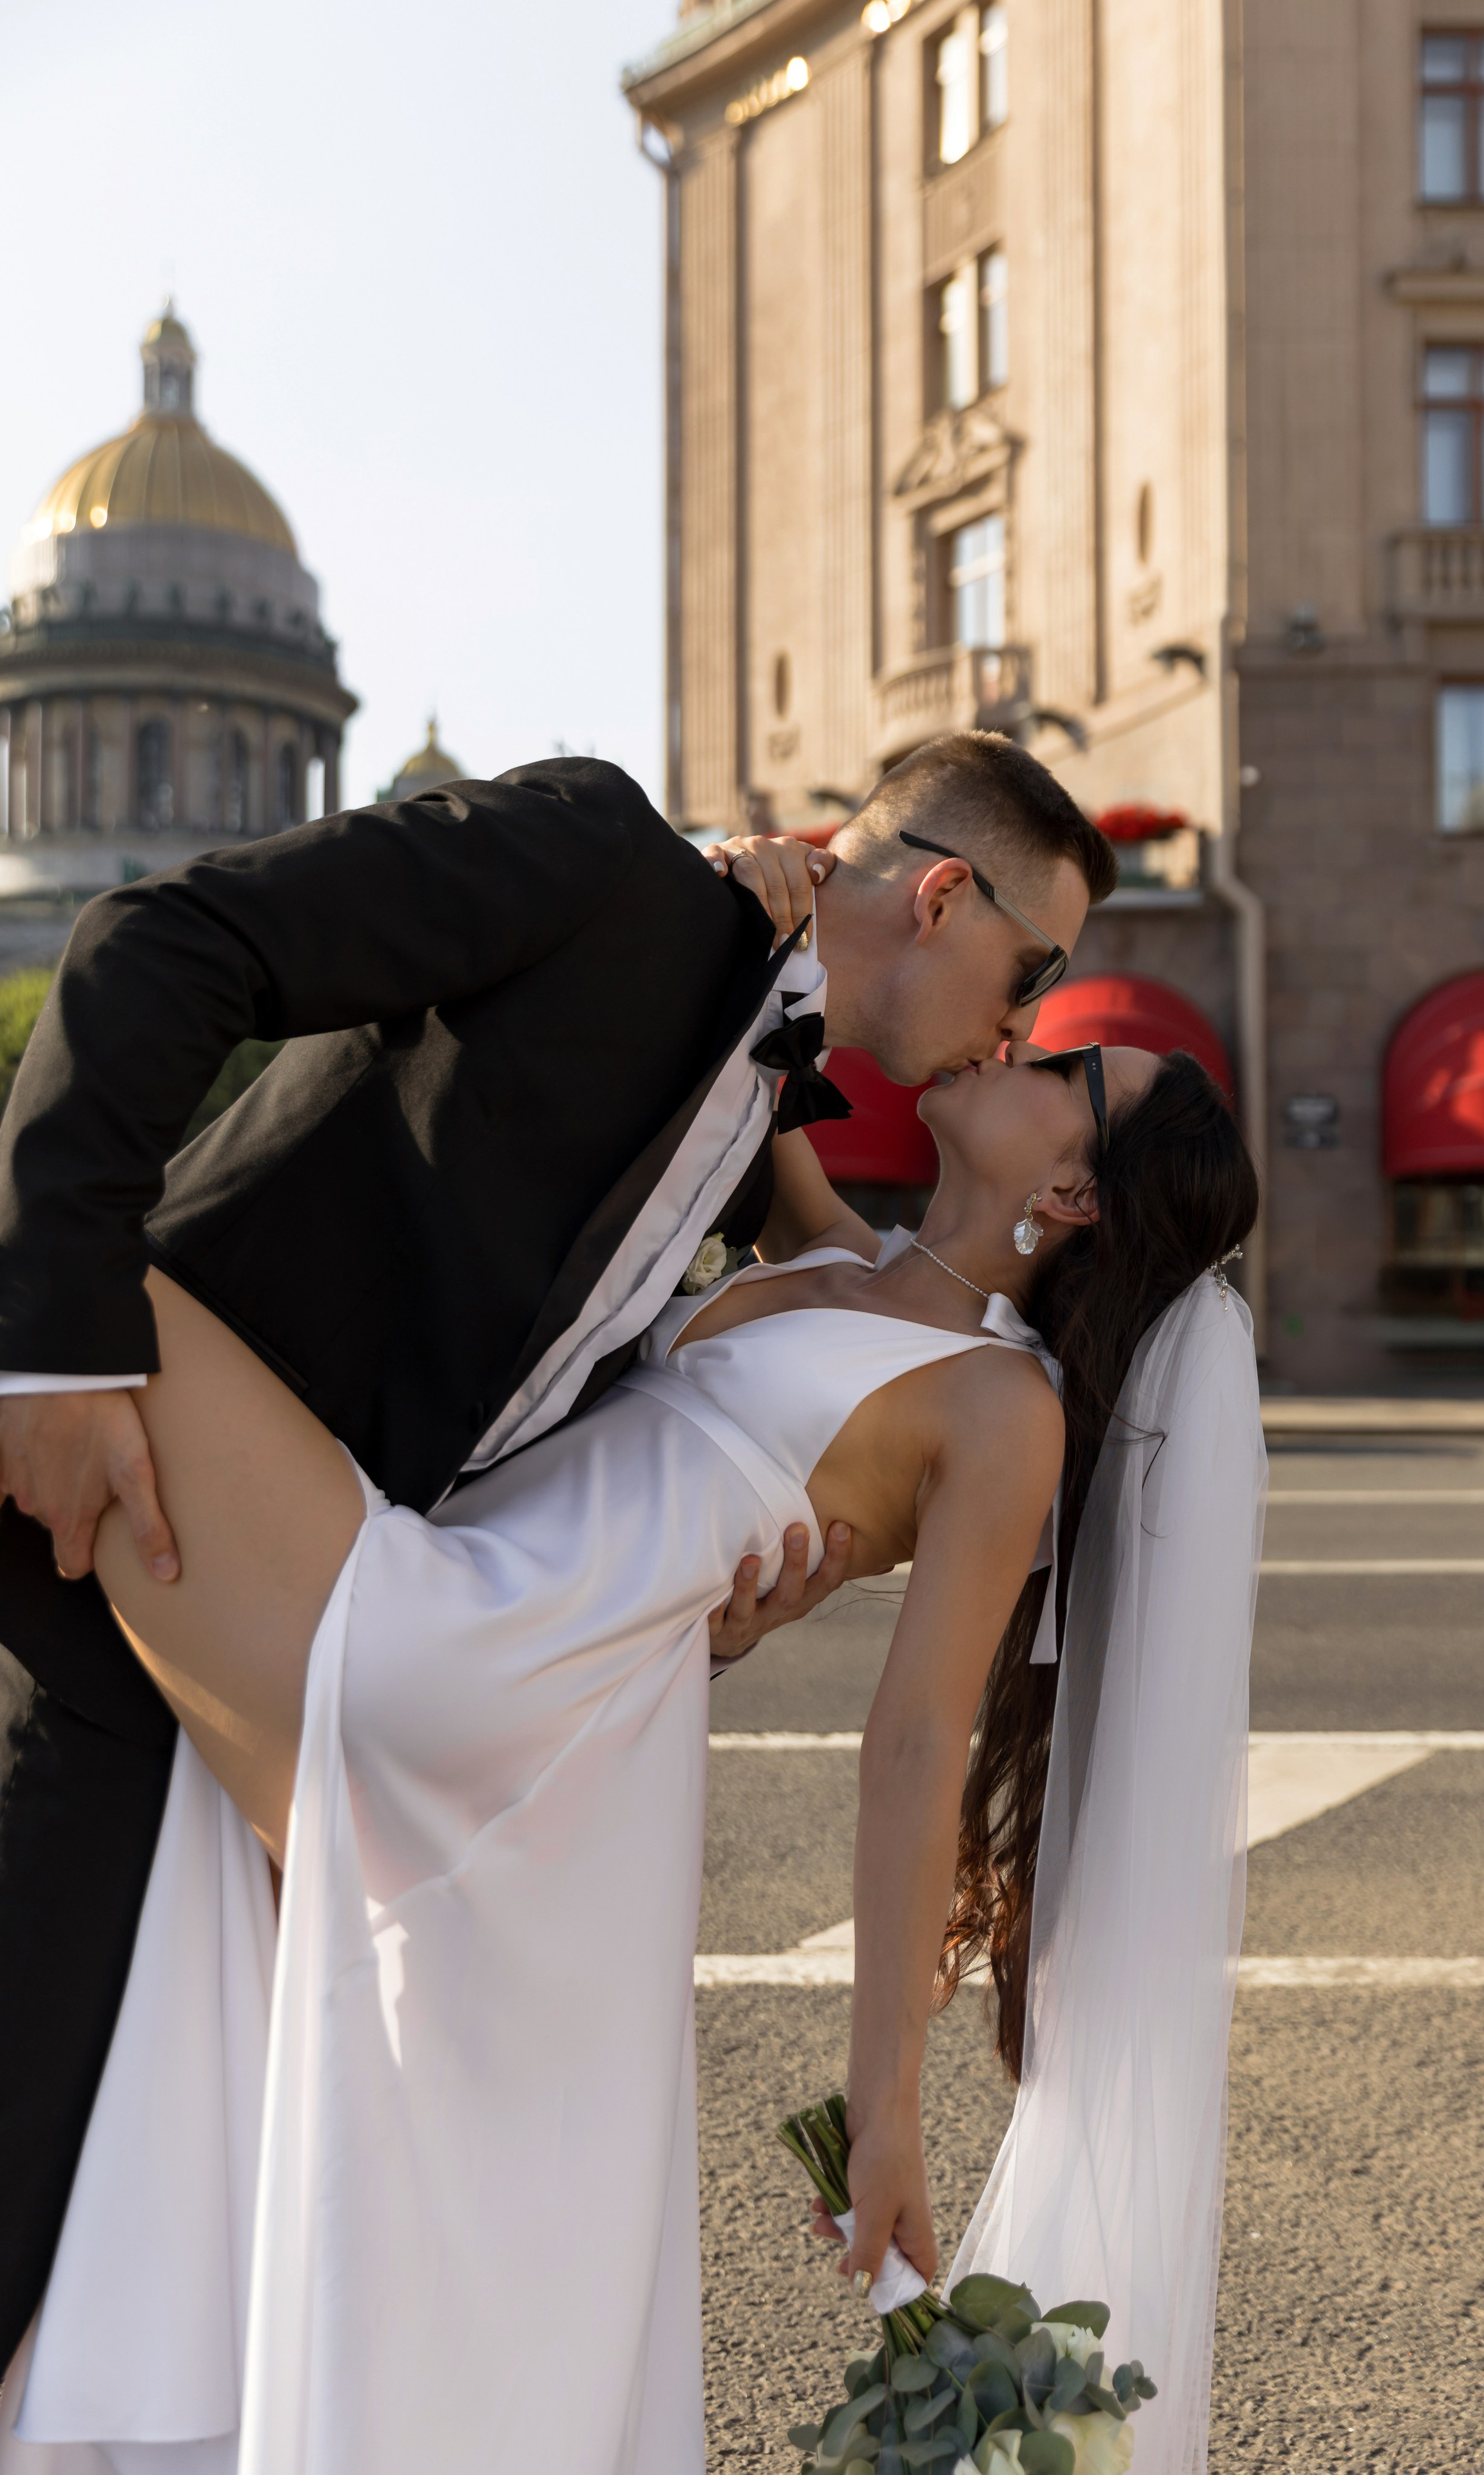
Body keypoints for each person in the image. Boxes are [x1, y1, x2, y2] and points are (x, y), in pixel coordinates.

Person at [0, 732, 1113, 2367]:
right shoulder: (598, 859)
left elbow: (815, 1334)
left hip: (342, 1617)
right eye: (1033, 976)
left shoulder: (756, 1126)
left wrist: (736, 1576)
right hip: (140, 1512)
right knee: (44, 2119)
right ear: (944, 896)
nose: (1021, 1030)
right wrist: (55, 1347)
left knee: (159, 2197)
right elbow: (161, 939)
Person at [0, 1034, 1259, 2474]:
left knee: (69, 1258)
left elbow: (914, 1745)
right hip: (482, 1626)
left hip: (466, 1669)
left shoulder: (1001, 1408)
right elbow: (749, 1031)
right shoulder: (844, 1257)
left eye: (1069, 1066)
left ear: (1077, 1194)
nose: (1018, 1041)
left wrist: (884, 2114)